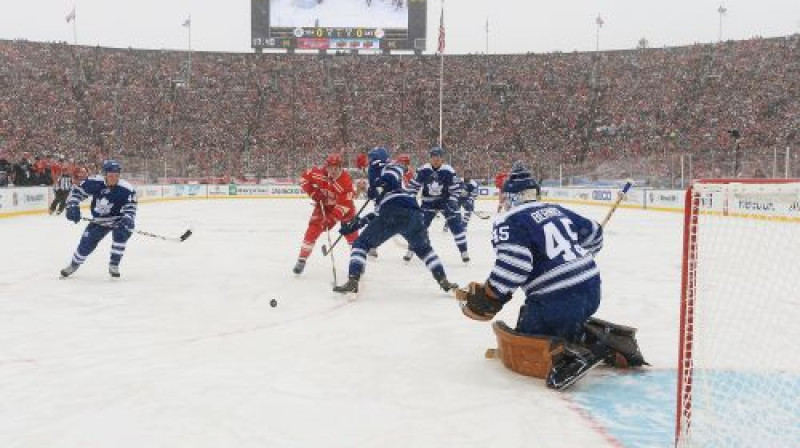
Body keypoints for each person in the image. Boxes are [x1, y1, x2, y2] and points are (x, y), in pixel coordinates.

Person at [457, 162, 618, 389]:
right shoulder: (556, 209)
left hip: (557, 300)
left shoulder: (509, 221)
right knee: (562, 318)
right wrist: (578, 260)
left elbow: (515, 265)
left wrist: (491, 295)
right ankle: (598, 341)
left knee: (529, 333)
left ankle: (567, 357)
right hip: (592, 287)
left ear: (511, 196)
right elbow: (594, 233)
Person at [333, 147, 458, 294]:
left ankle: (353, 280)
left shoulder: (385, 166)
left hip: (393, 211)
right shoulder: (382, 176)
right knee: (425, 250)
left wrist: (380, 185)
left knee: (361, 244)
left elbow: (393, 173)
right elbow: (378, 213)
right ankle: (443, 280)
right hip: (413, 214)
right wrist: (358, 223)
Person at [60, 160, 138, 278]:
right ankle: (74, 264)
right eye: (111, 175)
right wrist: (72, 206)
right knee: (86, 243)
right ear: (104, 174)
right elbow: (77, 192)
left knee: (121, 235)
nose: (114, 178)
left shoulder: (126, 188)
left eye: (116, 175)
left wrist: (128, 219)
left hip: (119, 220)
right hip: (99, 220)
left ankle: (114, 264)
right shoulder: (94, 182)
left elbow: (131, 206)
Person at [293, 153, 358, 274]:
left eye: (336, 168)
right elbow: (303, 179)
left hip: (345, 209)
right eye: (330, 167)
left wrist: (332, 219)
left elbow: (344, 204)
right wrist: (313, 192)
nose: (333, 171)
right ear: (326, 167)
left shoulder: (345, 181)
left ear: (341, 167)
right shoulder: (317, 173)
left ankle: (358, 262)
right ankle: (302, 259)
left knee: (351, 234)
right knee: (313, 229)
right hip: (324, 206)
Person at [405, 146, 470, 262]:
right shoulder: (423, 170)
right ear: (430, 158)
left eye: (438, 157)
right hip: (428, 203)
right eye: (433, 157)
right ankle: (410, 250)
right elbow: (413, 187)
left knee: (456, 226)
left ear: (442, 158)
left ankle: (464, 251)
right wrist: (410, 201)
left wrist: (452, 201)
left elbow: (456, 189)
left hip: (445, 202)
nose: (436, 159)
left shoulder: (448, 170)